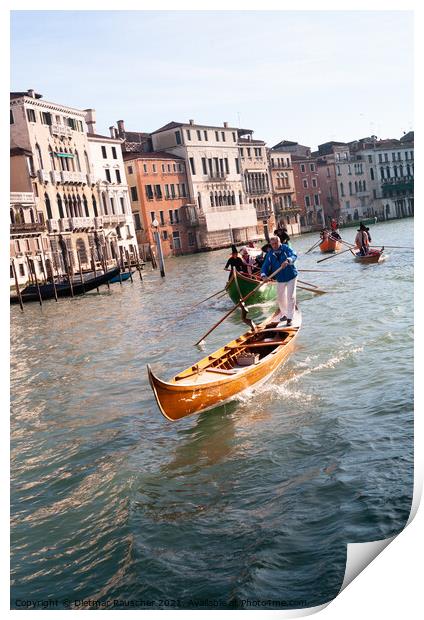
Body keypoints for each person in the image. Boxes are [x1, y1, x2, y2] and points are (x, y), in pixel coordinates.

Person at [260, 236, 298, 326]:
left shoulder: (285, 248)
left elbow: (294, 255)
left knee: (290, 297)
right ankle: (284, 314)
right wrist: (264, 275)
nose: (274, 246)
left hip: (291, 276)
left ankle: (290, 318)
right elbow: (265, 266)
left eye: (276, 243)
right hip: (280, 278)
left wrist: (288, 260)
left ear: (279, 242)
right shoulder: (270, 254)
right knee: (280, 299)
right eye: (272, 244)